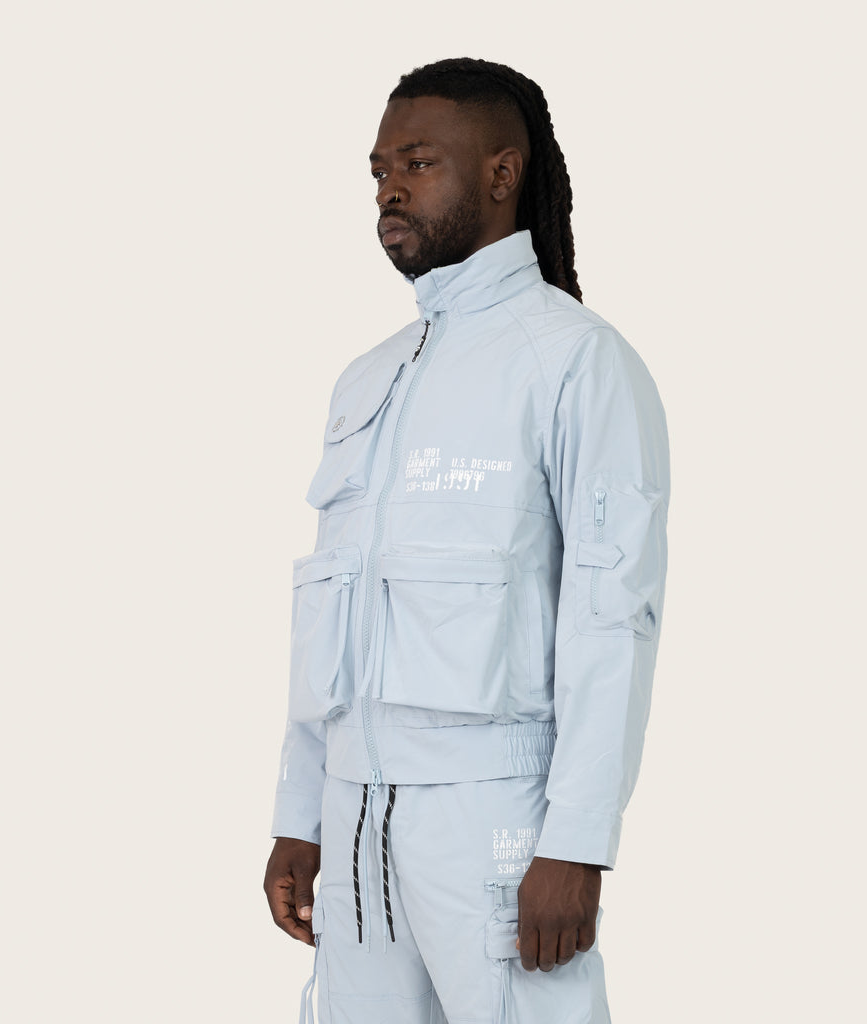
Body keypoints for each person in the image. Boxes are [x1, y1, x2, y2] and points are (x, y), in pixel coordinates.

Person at [264, 57, 670, 1024]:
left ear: (501, 173)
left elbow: (613, 617)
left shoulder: (575, 361)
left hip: (494, 811)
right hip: (354, 813)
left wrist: (576, 842)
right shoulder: (367, 379)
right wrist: (300, 812)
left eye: (417, 163)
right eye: (379, 170)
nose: (389, 190)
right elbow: (331, 609)